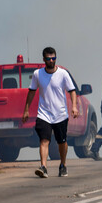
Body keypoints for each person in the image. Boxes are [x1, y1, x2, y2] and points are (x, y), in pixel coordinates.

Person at [22, 47, 79, 178]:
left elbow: (72, 91)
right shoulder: (37, 74)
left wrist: (74, 107)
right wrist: (26, 110)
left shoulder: (63, 74)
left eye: (54, 58)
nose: (51, 60)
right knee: (44, 140)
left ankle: (63, 165)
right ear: (44, 60)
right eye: (49, 58)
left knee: (61, 142)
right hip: (44, 114)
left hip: (60, 114)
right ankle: (43, 167)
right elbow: (31, 92)